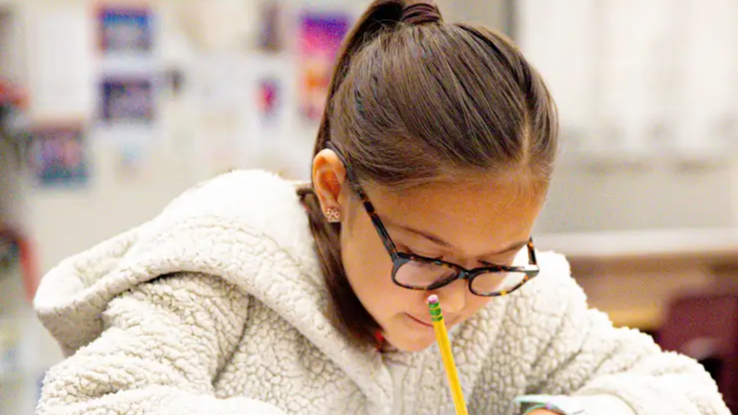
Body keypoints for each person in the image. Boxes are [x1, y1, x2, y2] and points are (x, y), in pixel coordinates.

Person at [33, 1, 730, 415]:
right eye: (425, 257)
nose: (457, 300)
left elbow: (685, 393)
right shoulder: (225, 266)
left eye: (494, 262)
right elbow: (92, 399)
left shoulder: (513, 304)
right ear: (335, 191)